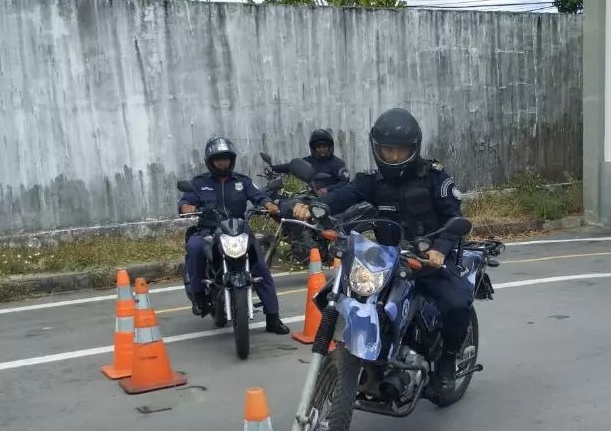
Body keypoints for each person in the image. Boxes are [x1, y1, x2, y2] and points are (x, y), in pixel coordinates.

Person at [292, 108, 471, 391]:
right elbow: (344, 195)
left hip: (426, 259)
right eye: (388, 151)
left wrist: (439, 249)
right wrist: (315, 207)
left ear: (414, 148)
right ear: (378, 150)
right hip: (385, 260)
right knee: (353, 295)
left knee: (459, 301)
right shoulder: (373, 181)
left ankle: (447, 363)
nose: (395, 158)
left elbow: (454, 217)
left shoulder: (434, 178)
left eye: (401, 151)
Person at [178, 136, 290, 334]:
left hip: (238, 230)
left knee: (261, 268)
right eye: (218, 158)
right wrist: (188, 208)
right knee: (194, 248)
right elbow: (185, 202)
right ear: (210, 161)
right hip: (209, 230)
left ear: (232, 160)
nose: (223, 162)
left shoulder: (242, 181)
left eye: (226, 158)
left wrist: (270, 206)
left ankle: (273, 317)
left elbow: (260, 197)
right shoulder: (199, 183)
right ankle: (199, 297)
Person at [264, 129, 350, 195]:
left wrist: (328, 189)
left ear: (330, 147)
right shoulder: (308, 161)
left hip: (329, 199)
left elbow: (345, 182)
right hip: (307, 196)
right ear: (314, 148)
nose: (322, 149)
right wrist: (273, 168)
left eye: (325, 146)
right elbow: (291, 166)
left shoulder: (338, 163)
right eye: (319, 147)